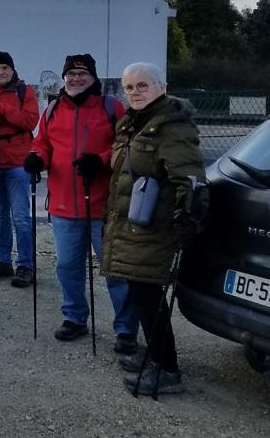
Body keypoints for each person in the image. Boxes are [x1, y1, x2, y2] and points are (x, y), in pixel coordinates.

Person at [103, 62, 207, 395]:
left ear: (161, 86)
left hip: (156, 227)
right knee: (141, 294)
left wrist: (187, 215)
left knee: (148, 296)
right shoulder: (131, 124)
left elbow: (188, 178)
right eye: (129, 87)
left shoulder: (172, 127)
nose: (134, 92)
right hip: (133, 226)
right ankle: (157, 357)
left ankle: (167, 370)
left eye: (142, 85)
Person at [24, 53, 139, 349]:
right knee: (67, 266)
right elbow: (43, 143)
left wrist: (101, 161)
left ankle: (126, 329)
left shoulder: (111, 107)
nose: (76, 79)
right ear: (64, 78)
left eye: (82, 73)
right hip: (64, 204)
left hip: (105, 205)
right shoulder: (51, 111)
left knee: (115, 269)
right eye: (71, 74)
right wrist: (37, 159)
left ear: (93, 77)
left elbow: (127, 147)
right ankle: (74, 316)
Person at [0, 51, 40, 287]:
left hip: (18, 162)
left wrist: (2, 111)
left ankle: (25, 264)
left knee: (21, 217)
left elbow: (30, 121)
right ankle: (3, 260)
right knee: (0, 215)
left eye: (5, 68)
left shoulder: (25, 91)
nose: (0, 72)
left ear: (12, 70)